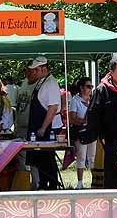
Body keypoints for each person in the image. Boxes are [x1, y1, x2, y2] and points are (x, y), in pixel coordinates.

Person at [88, 54, 117, 189]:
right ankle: (111, 206)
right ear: (112, 72)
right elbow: (93, 114)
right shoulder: (102, 89)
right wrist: (101, 136)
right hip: (111, 139)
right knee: (113, 175)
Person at [26, 56, 61, 190]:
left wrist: (43, 127)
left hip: (48, 128)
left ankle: (51, 185)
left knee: (47, 158)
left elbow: (52, 107)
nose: (33, 72)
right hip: (39, 126)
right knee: (40, 158)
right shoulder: (42, 82)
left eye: (36, 70)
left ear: (44, 69)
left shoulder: (51, 83)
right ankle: (43, 183)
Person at [69, 76, 96, 189]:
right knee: (81, 157)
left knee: (92, 157)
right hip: (81, 132)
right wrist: (85, 120)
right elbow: (72, 118)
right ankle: (80, 182)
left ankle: (95, 181)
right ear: (81, 88)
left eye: (91, 86)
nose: (90, 89)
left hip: (92, 132)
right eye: (88, 86)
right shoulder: (75, 100)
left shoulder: (93, 100)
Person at [13, 64, 37, 137]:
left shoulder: (39, 84)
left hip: (32, 126)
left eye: (30, 71)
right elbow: (19, 103)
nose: (27, 73)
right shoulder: (24, 82)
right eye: (26, 71)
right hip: (20, 125)